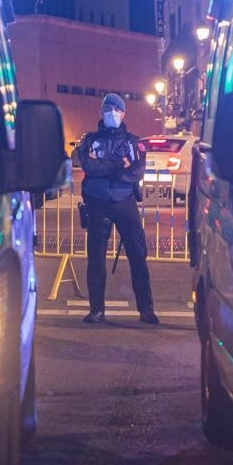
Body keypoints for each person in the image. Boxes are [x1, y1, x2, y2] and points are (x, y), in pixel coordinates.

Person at [75, 94, 159, 325]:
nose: (111, 113)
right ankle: (96, 310)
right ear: (101, 112)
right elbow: (88, 166)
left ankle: (146, 309)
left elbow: (137, 171)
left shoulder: (134, 142)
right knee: (95, 258)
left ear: (124, 113)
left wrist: (105, 166)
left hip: (125, 202)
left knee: (138, 256)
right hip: (97, 202)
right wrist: (118, 165)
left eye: (116, 109)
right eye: (107, 109)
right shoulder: (89, 140)